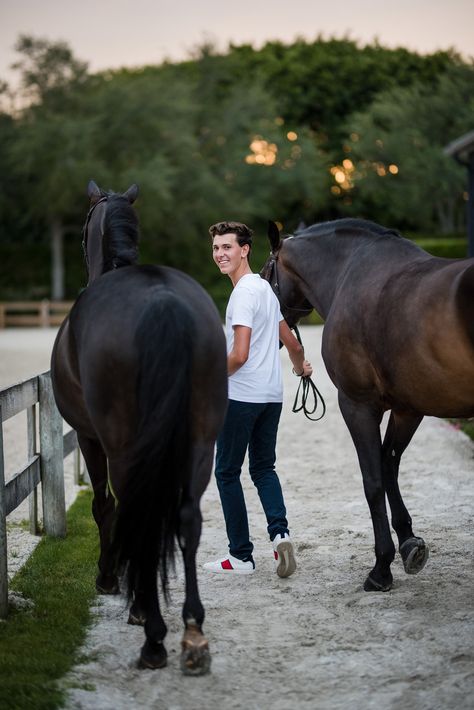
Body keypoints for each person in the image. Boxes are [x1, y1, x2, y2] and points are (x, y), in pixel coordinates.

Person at [203, 221, 313, 578]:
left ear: (245, 249)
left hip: (241, 397)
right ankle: (280, 532)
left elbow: (240, 354)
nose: (221, 254)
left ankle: (241, 556)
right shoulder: (265, 289)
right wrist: (301, 368)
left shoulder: (242, 295)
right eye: (217, 248)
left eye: (228, 247)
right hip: (271, 398)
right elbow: (292, 343)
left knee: (226, 472)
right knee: (264, 468)